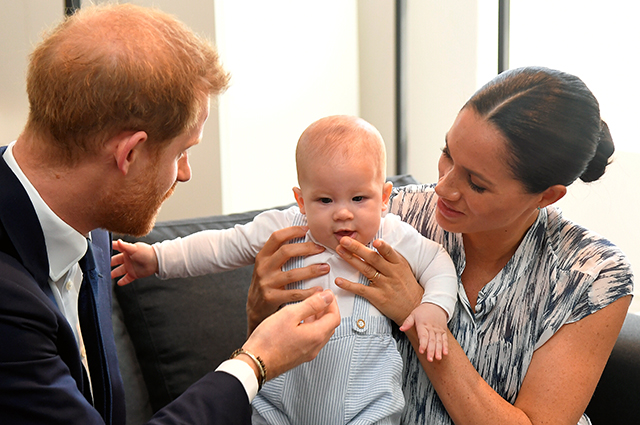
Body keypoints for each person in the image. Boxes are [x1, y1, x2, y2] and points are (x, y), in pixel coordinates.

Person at [0, 4, 340, 425]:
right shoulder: (8, 301)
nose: (185, 173)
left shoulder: (92, 219)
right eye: (182, 151)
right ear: (130, 152)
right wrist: (256, 361)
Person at [245, 67, 634, 424]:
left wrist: (416, 313)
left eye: (476, 183)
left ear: (546, 196)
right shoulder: (387, 216)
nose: (444, 187)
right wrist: (260, 307)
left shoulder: (593, 277)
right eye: (447, 153)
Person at [111, 114, 458, 424]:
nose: (342, 213)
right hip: (282, 405)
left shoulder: (393, 234)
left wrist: (433, 308)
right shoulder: (285, 229)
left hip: (366, 409)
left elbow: (438, 263)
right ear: (300, 199)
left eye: (359, 199)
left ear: (384, 197)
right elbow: (222, 246)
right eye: (325, 200)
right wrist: (157, 258)